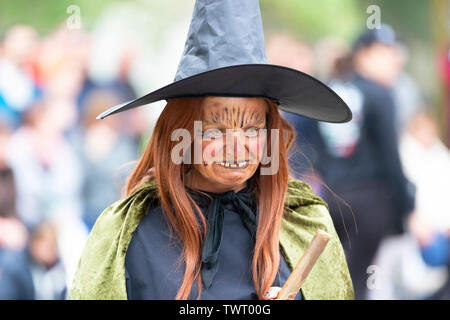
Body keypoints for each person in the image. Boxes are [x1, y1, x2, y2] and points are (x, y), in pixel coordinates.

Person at [70, 0, 353, 300]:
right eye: (215, 130)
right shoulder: (124, 235)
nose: (236, 147)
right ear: (182, 132)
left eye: (252, 129)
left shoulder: (302, 223)